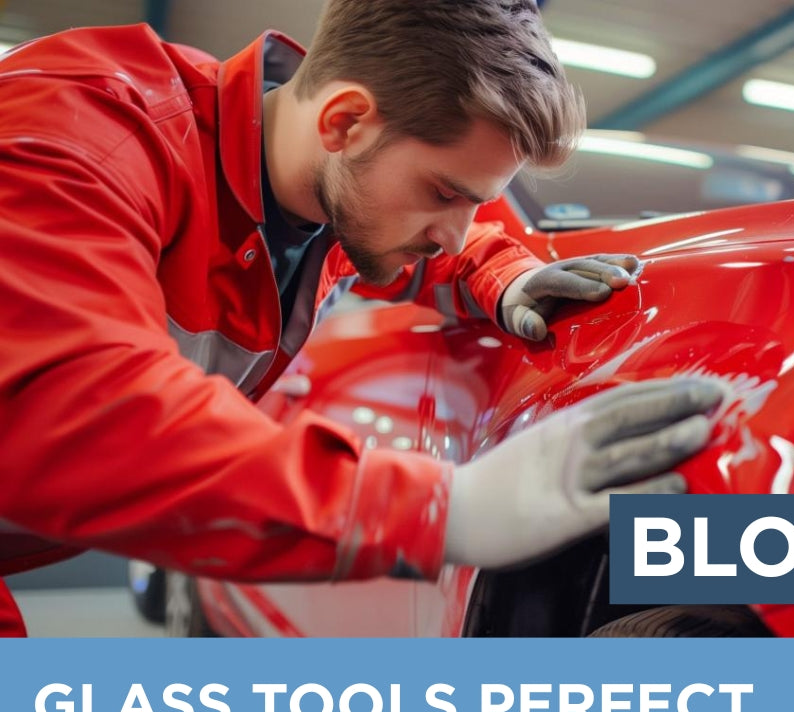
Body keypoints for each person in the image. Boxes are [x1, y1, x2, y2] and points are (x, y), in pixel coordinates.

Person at [0, 0, 720, 636]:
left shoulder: (325, 187)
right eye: (444, 192)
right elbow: (72, 407)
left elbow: (434, 251)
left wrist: (506, 279)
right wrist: (443, 510)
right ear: (343, 119)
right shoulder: (82, 139)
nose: (454, 230)